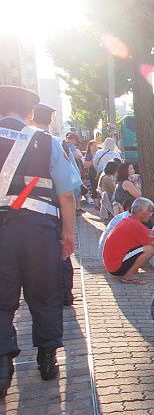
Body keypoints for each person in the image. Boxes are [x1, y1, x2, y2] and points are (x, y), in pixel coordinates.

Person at [0, 85, 82, 401]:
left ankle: (4, 366)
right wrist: (68, 236)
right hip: (39, 232)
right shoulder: (48, 142)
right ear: (30, 113)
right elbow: (66, 194)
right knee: (45, 295)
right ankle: (47, 359)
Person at [30, 105, 78, 306]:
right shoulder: (54, 143)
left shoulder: (18, 139)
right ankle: (65, 294)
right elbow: (69, 190)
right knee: (62, 254)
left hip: (13, 215)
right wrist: (69, 230)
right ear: (50, 120)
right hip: (50, 211)